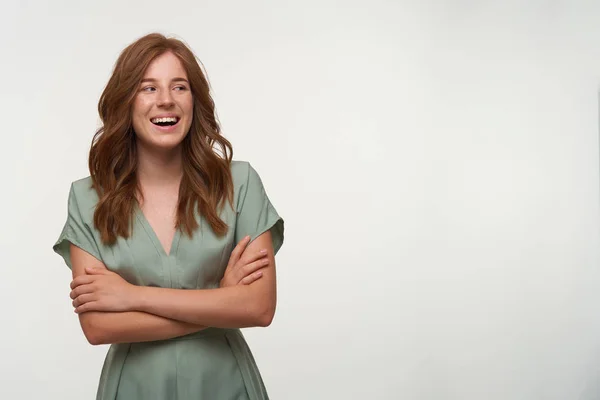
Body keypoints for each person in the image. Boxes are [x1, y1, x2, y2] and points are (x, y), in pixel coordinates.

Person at [52, 32, 284, 400]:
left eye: (179, 87)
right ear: (125, 101)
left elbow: (258, 307)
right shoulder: (87, 198)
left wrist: (131, 296)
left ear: (195, 101)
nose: (166, 101)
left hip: (225, 385)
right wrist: (221, 299)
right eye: (148, 88)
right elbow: (97, 327)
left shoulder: (240, 184)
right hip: (134, 388)